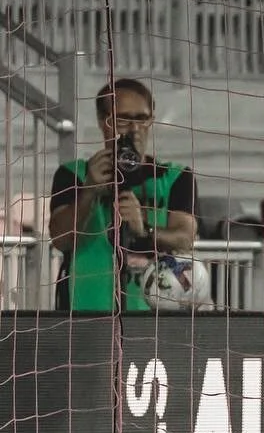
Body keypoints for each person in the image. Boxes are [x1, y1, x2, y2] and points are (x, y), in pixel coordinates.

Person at [48, 78, 198, 311]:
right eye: (123, 119)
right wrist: (89, 190)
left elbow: (184, 239)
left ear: (151, 121)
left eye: (141, 119)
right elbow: (61, 238)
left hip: (155, 315)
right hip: (85, 310)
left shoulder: (174, 177)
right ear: (103, 122)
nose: (134, 129)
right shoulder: (73, 174)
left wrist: (144, 229)